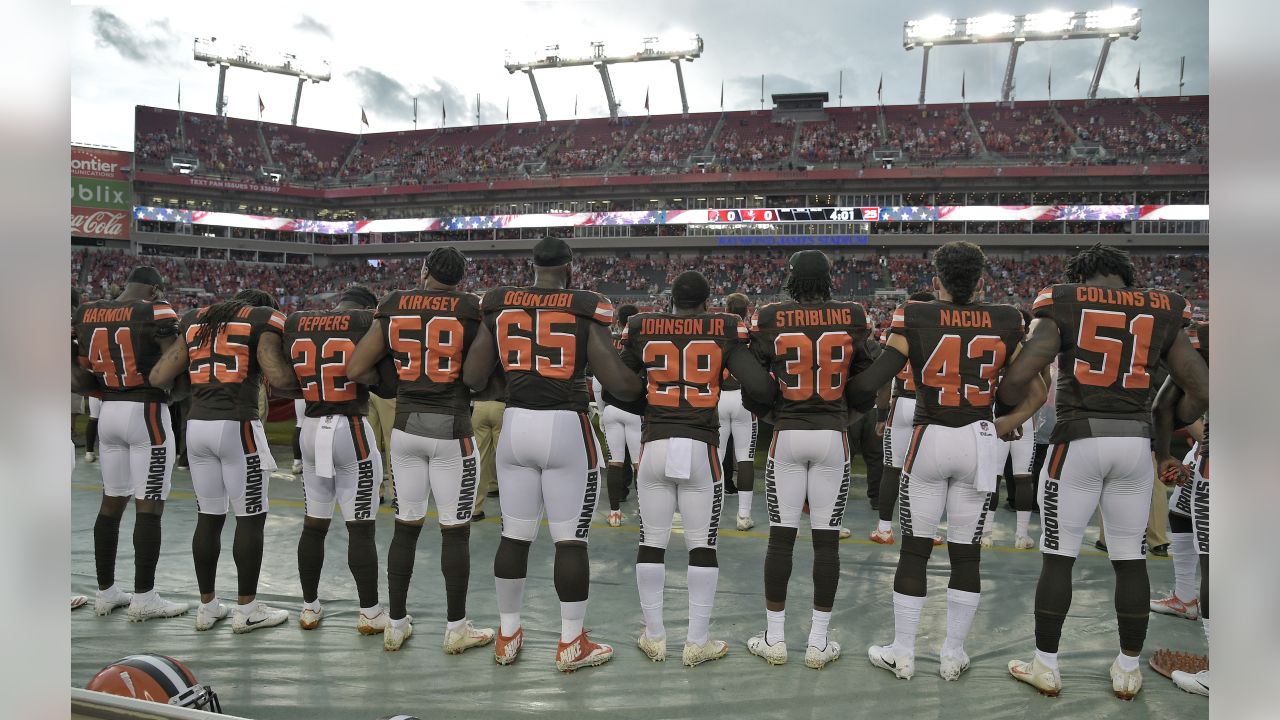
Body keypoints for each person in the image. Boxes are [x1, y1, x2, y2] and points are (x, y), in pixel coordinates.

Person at [998, 244, 1208, 699]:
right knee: (1130, 558)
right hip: (1134, 444)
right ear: (1125, 279)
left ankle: (1046, 665)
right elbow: (1201, 389)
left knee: (1059, 555)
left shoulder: (1063, 301)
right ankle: (1128, 669)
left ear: (1082, 275)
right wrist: (1164, 418)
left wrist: (1007, 409)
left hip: (1078, 439)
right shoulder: (1163, 310)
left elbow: (1019, 377)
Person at [848, 241, 1043, 682]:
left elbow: (875, 380)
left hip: (930, 437)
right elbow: (1036, 391)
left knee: (915, 550)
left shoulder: (913, 315)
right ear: (980, 282)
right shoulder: (1008, 319)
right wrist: (1003, 423)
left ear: (936, 281)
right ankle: (953, 654)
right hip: (978, 440)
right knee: (966, 554)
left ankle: (903, 652)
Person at [462, 236, 643, 672]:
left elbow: (472, 374)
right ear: (569, 268)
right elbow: (616, 380)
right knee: (570, 540)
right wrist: (645, 385)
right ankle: (570, 642)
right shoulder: (584, 304)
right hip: (566, 425)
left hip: (516, 425)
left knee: (514, 535)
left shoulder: (500, 303)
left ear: (532, 266)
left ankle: (507, 634)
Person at [618, 272, 775, 667]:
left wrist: (647, 406)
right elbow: (759, 385)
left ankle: (654, 636)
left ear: (671, 299)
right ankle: (696, 640)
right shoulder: (722, 327)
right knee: (702, 545)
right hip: (700, 445)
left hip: (654, 444)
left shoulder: (642, 326)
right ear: (707, 302)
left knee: (651, 541)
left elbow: (619, 384)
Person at [348, 248, 495, 654]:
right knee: (455, 532)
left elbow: (357, 369)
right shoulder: (470, 308)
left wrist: (398, 387)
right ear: (460, 279)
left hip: (406, 428)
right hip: (452, 429)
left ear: (425, 270)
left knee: (405, 526)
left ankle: (395, 624)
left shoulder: (394, 304)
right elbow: (478, 376)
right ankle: (456, 628)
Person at [743, 250, 876, 669]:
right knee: (826, 540)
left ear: (791, 279)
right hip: (832, 435)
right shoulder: (852, 315)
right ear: (829, 280)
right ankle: (817, 643)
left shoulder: (770, 317)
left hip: (788, 432)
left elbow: (752, 380)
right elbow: (868, 377)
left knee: (781, 537)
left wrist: (770, 414)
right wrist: (848, 416)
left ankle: (775, 638)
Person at [149, 288, 301, 634]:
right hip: (238, 426)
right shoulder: (262, 319)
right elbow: (278, 376)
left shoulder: (196, 320)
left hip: (198, 427)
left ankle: (208, 606)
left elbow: (159, 376)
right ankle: (247, 609)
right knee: (250, 518)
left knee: (209, 516)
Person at [71, 266, 188, 621]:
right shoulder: (157, 309)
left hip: (107, 412)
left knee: (111, 501)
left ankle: (106, 592)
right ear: (154, 289)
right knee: (149, 505)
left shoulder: (87, 311)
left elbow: (79, 374)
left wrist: (104, 390)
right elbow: (174, 366)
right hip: (147, 412)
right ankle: (145, 597)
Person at [283, 285, 390, 635]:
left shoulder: (299, 320)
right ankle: (370, 612)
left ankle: (310, 607)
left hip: (311, 428)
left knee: (314, 522)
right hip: (350, 426)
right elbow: (383, 379)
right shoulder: (365, 321)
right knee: (360, 526)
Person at [1154, 321, 1211, 696]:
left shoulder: (1206, 339)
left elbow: (1164, 407)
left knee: (1217, 563)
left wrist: (1163, 454)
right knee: (1180, 510)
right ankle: (1184, 597)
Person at [870, 291, 935, 546]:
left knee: (892, 468)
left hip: (902, 402)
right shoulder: (941, 329)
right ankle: (925, 530)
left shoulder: (896, 332)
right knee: (927, 472)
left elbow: (885, 376)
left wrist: (881, 414)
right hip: (930, 405)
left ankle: (884, 528)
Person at [981, 308, 1037, 550]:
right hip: (1024, 416)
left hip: (997, 417)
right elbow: (1040, 392)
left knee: (992, 477)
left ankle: (985, 533)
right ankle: (1021, 535)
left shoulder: (995, 347)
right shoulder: (1034, 352)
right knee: (1023, 477)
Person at [596, 303, 642, 527]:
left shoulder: (608, 341)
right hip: (634, 409)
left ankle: (614, 513)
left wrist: (602, 409)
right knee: (638, 463)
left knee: (615, 461)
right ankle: (645, 511)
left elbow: (599, 378)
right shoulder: (641, 343)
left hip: (611, 406)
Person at [717, 293, 759, 530]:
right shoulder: (752, 335)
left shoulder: (716, 332)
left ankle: (713, 508)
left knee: (716, 455)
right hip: (743, 398)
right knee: (744, 459)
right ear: (746, 310)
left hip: (720, 397)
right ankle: (743, 515)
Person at [469, 377, 506, 518]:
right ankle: (510, 513)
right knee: (506, 464)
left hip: (480, 406)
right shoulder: (508, 355)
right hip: (503, 407)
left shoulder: (481, 355)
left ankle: (474, 509)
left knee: (480, 460)